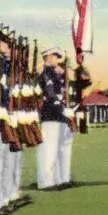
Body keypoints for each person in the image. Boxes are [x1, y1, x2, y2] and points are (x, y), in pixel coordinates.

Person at [37, 46, 68, 189]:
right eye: (54, 56)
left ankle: (55, 179)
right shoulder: (45, 73)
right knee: (49, 149)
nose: (56, 59)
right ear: (47, 57)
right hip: (49, 113)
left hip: (58, 114)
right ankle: (46, 181)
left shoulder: (56, 74)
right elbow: (50, 94)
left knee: (56, 148)